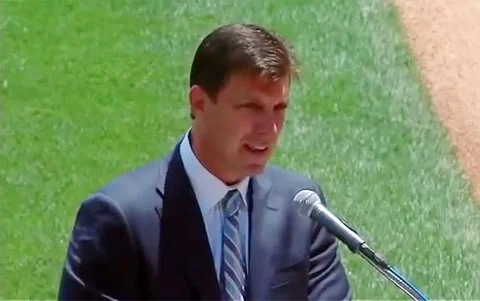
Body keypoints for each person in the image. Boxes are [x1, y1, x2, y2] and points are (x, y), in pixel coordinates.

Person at [58, 23, 352, 300]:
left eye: (279, 108)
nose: (270, 128)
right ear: (199, 103)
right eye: (251, 107)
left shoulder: (302, 210)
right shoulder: (120, 220)